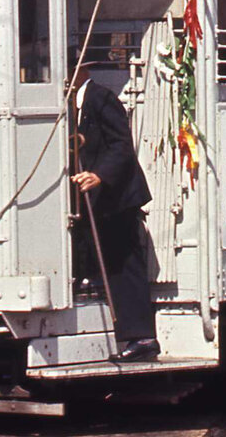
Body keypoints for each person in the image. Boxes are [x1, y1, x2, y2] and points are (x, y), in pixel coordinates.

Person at [70, 69, 157, 361]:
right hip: (97, 202)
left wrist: (98, 175)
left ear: (79, 71)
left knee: (124, 266)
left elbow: (121, 146)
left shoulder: (101, 98)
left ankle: (142, 338)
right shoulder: (74, 104)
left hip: (118, 197)